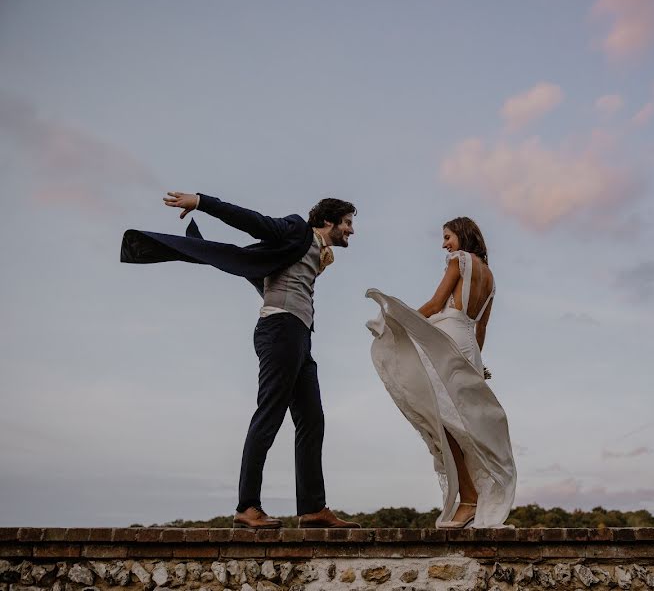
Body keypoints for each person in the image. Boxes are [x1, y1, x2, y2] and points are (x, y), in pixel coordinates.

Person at [120, 191, 360, 529]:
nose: (351, 230)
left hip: (300, 336)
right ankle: (247, 506)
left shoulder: (317, 252)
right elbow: (251, 221)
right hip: (280, 330)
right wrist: (202, 201)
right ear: (328, 221)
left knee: (312, 419)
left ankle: (312, 509)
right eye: (348, 223)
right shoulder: (296, 230)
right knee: (270, 414)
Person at [366, 217, 516, 528]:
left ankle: (470, 499)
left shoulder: (458, 261)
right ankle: (472, 497)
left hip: (446, 339)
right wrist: (475, 362)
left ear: (461, 235)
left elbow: (436, 304)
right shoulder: (490, 278)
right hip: (468, 346)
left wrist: (396, 322)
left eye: (447, 236)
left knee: (444, 420)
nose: (444, 244)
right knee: (462, 423)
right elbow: (482, 326)